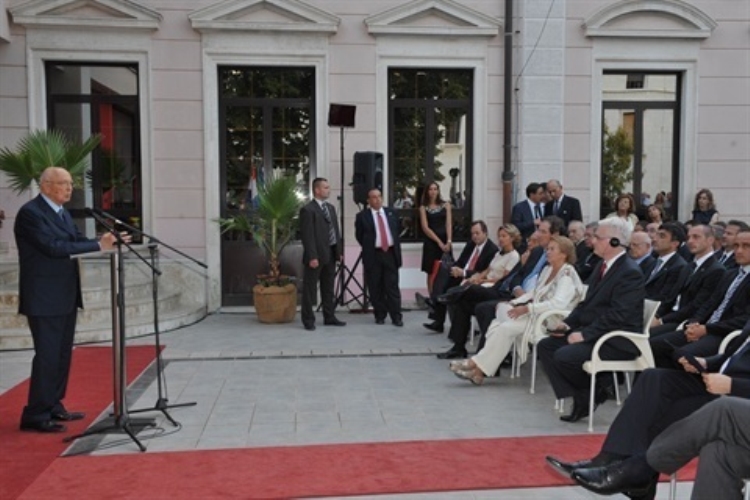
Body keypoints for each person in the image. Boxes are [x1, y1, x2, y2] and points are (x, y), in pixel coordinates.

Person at [547, 328, 750, 500]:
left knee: (720, 411)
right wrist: (706, 363)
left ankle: (639, 470)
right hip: (728, 391)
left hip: (737, 397)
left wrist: (733, 385)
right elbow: (735, 358)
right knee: (654, 381)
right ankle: (611, 458)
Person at [15, 166, 124, 433]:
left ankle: (53, 404)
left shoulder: (61, 213)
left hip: (65, 294)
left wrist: (107, 240)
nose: (69, 188)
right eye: (63, 183)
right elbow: (53, 248)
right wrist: (98, 246)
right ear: (46, 186)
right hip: (43, 297)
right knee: (47, 356)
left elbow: (76, 240)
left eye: (70, 184)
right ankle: (35, 414)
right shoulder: (31, 213)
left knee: (62, 355)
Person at [537, 217, 645, 423]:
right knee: (546, 346)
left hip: (616, 340)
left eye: (597, 237)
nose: (592, 241)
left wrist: (585, 334)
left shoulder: (629, 272)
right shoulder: (602, 266)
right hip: (598, 332)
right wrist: (568, 324)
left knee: (564, 356)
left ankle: (587, 395)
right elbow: (586, 304)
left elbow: (619, 315)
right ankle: (589, 393)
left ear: (614, 241)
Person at [449, 236, 584, 384]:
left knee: (505, 328)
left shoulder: (567, 275)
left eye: (552, 249)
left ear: (564, 254)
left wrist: (527, 308)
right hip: (536, 314)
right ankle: (478, 372)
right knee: (497, 324)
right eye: (548, 249)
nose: (547, 252)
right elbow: (534, 293)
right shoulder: (548, 269)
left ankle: (474, 365)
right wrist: (513, 302)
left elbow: (558, 303)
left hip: (551, 321)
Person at [650, 229, 750, 368]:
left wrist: (707, 329)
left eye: (746, 246)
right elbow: (710, 304)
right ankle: (657, 380)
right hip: (705, 327)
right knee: (655, 344)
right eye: (736, 246)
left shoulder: (719, 270)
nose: (738, 251)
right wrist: (694, 323)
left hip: (724, 334)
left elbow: (744, 319)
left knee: (682, 354)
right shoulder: (731, 274)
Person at [433, 224, 521, 358]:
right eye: (499, 236)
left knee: (471, 289)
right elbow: (488, 270)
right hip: (485, 285)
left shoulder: (513, 256)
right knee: (462, 304)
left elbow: (503, 279)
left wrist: (482, 281)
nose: (500, 239)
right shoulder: (499, 253)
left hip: (496, 289)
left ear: (512, 238)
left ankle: (451, 296)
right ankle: (458, 347)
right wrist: (478, 277)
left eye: (504, 236)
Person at [650, 224, 726, 336]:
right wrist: (656, 315)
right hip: (671, 316)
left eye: (696, 237)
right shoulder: (689, 266)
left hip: (685, 322)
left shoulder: (716, 270)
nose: (690, 241)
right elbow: (671, 297)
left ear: (710, 240)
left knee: (649, 337)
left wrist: (661, 320)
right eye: (688, 237)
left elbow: (696, 305)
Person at [425, 220, 498, 334]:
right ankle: (438, 316)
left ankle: (436, 302)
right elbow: (461, 261)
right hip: (460, 275)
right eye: (472, 234)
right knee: (443, 270)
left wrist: (463, 273)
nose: (474, 236)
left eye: (477, 233)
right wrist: (455, 268)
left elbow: (483, 272)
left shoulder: (492, 250)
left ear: (485, 233)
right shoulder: (471, 244)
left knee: (450, 292)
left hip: (473, 279)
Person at [299, 178, 346, 331]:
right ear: (317, 190)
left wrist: (339, 252)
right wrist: (312, 256)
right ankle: (308, 320)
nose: (328, 190)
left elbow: (335, 231)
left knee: (328, 288)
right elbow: (307, 236)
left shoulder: (330, 208)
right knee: (310, 289)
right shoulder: (308, 210)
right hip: (316, 256)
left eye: (328, 187)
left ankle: (329, 317)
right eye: (325, 187)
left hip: (331, 254)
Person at [355, 188, 403, 326]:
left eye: (379, 196)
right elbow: (360, 236)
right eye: (374, 197)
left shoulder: (392, 213)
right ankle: (380, 315)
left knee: (392, 287)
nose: (377, 199)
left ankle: (396, 316)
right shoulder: (362, 216)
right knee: (375, 287)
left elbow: (397, 230)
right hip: (373, 255)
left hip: (390, 254)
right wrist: (371, 245)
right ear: (368, 200)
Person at [644, 223, 689, 319]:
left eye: (662, 236)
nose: (655, 239)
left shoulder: (679, 266)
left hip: (652, 315)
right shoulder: (652, 261)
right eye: (656, 235)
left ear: (675, 243)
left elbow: (667, 299)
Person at [418, 182, 452, 295]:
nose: (433, 192)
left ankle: (445, 296)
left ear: (438, 191)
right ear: (427, 192)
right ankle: (432, 296)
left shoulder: (446, 205)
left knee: (447, 269)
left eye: (435, 189)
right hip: (431, 242)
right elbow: (425, 227)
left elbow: (448, 224)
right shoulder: (423, 208)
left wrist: (449, 241)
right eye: (430, 189)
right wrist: (439, 242)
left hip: (445, 241)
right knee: (431, 271)